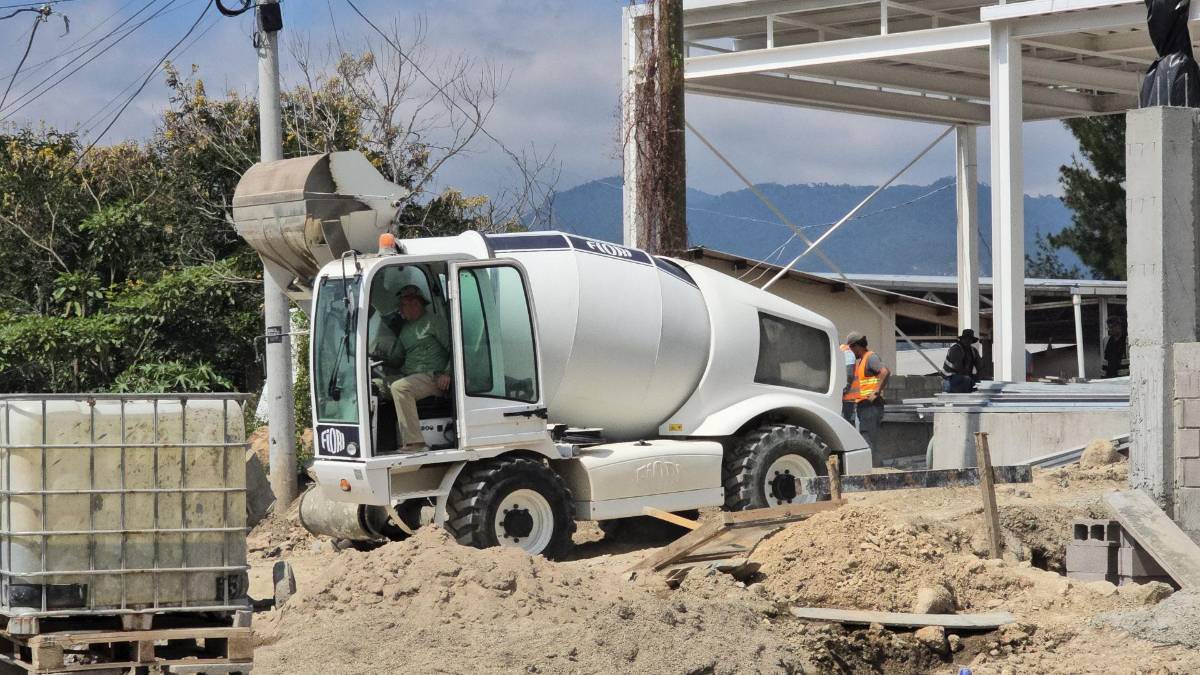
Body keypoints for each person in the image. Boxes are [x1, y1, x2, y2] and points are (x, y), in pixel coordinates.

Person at [376, 285, 452, 452]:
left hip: (433, 378)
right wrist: (378, 354)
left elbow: (455, 349)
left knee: (400, 388)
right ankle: (379, 443)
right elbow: (397, 359)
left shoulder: (435, 322)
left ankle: (415, 443)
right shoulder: (405, 329)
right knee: (372, 386)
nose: (400, 309)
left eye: (403, 305)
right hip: (412, 377)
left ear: (415, 303)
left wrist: (447, 373)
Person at [845, 331, 889, 452]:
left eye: (851, 349)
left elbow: (885, 372)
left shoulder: (870, 357)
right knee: (868, 438)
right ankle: (874, 465)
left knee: (868, 439)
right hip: (865, 406)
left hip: (871, 406)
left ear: (856, 346)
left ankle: (873, 467)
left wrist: (876, 392)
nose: (851, 353)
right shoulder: (863, 360)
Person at [942, 329, 981, 393]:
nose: (967, 341)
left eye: (970, 339)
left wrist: (979, 378)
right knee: (967, 380)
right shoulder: (955, 349)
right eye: (965, 338)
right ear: (961, 339)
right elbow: (959, 368)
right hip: (950, 379)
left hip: (964, 378)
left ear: (972, 341)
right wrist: (972, 380)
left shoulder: (973, 351)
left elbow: (980, 367)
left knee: (977, 384)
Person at [840, 340, 857, 423]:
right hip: (845, 396)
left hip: (847, 396)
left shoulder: (846, 351)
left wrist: (845, 389)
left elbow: (849, 374)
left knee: (845, 422)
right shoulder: (841, 351)